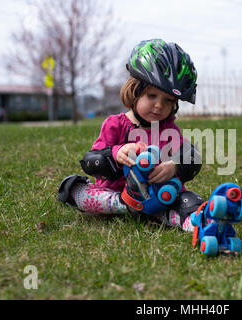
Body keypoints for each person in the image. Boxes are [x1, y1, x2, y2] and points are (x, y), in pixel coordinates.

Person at [58, 39, 204, 232]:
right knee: (73, 188)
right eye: (152, 96)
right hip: (116, 194)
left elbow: (192, 157)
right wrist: (117, 153)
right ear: (134, 90)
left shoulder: (170, 130)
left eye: (168, 100)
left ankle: (195, 222)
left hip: (158, 197)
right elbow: (92, 161)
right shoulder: (115, 124)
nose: (159, 105)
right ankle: (124, 205)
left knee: (189, 202)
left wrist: (174, 166)